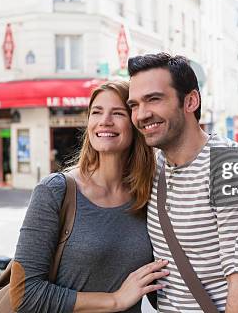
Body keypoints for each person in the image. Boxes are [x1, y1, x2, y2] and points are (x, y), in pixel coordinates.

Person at [10, 81, 168, 313]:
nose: (105, 120)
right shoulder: (55, 191)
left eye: (117, 113)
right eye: (96, 112)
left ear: (134, 124)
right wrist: (115, 300)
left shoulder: (148, 195)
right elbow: (24, 295)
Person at [127, 53, 238, 312]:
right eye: (134, 105)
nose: (142, 114)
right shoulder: (153, 167)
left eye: (154, 99)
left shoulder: (227, 163)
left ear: (190, 101)